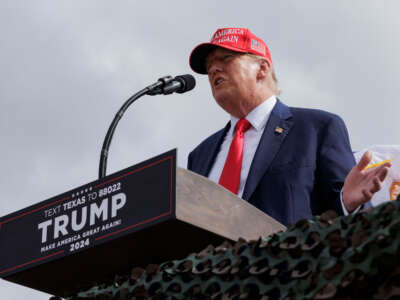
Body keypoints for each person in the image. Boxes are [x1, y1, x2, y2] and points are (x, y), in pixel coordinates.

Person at [187, 27, 390, 226]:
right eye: (209, 66)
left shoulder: (317, 129)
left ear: (262, 68)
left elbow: (346, 218)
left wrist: (348, 204)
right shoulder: (199, 155)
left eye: (226, 58)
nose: (213, 69)